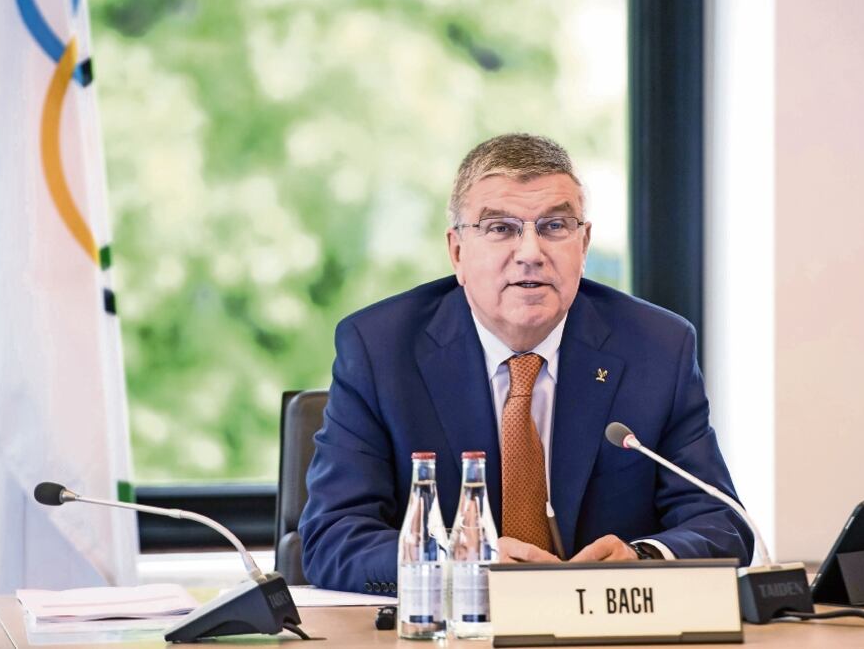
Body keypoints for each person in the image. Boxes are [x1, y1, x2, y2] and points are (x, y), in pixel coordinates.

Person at [298, 133, 753, 594]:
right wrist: (463, 566)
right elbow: (333, 537)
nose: (531, 253)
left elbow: (720, 523)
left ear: (584, 243)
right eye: (501, 229)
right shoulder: (380, 349)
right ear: (457, 252)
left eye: (555, 226)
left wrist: (643, 558)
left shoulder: (657, 348)